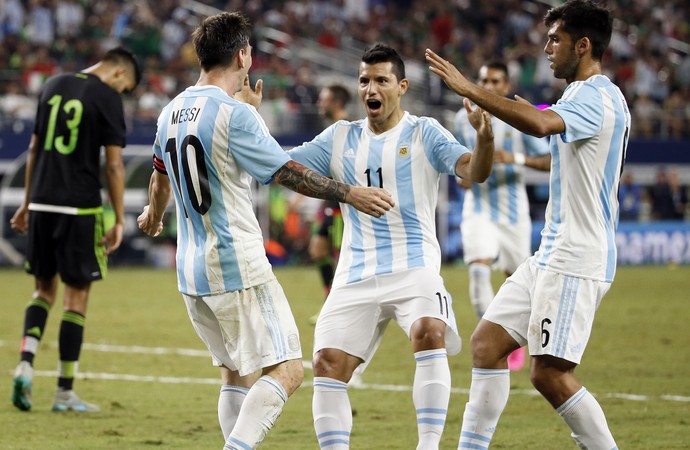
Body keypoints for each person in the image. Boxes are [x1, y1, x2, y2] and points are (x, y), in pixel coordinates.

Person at [135, 12, 393, 450]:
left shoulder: (170, 112)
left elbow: (159, 177)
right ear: (242, 55)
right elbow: (285, 172)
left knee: (234, 374)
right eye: (251, 49)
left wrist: (155, 217)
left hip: (192, 273)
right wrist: (349, 193)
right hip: (238, 266)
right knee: (288, 371)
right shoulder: (235, 114)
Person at [426, 0, 630, 448]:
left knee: (550, 373)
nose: (547, 48)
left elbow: (539, 125)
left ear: (583, 45)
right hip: (551, 252)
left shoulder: (596, 95)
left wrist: (469, 88)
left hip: (578, 256)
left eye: (555, 39)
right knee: (486, 345)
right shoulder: (582, 95)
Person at [288, 44, 495, 449]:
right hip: (355, 272)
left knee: (429, 330)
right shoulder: (340, 137)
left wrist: (485, 139)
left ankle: (429, 445)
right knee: (327, 364)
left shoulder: (424, 132)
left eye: (381, 80)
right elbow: (282, 167)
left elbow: (475, 170)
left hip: (414, 265)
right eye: (364, 80)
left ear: (401, 86)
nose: (370, 89)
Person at [9, 47, 141, 413]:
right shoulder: (107, 97)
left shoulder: (52, 85)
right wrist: (116, 216)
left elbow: (34, 148)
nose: (123, 93)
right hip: (79, 206)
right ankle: (65, 393)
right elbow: (114, 167)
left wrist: (26, 202)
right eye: (126, 87)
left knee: (42, 290)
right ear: (119, 74)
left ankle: (25, 364)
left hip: (41, 202)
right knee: (76, 297)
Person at [453, 61, 550, 371]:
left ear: (506, 86)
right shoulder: (461, 118)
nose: (489, 86)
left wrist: (514, 158)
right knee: (478, 269)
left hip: (513, 213)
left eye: (495, 81)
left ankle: (512, 340)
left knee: (515, 281)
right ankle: (492, 340)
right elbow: (457, 163)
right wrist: (462, 175)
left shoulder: (519, 118)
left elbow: (550, 160)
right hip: (478, 208)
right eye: (483, 80)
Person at [308, 84, 351, 321]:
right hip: (328, 203)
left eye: (323, 99)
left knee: (338, 256)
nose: (318, 104)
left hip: (339, 206)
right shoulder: (332, 129)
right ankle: (330, 304)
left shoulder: (344, 129)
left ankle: (339, 309)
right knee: (318, 249)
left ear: (336, 102)